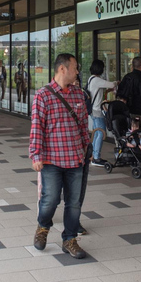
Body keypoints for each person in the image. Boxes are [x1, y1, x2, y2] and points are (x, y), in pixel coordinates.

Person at [30, 53, 90, 259]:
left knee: (73, 203)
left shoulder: (78, 94)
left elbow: (83, 125)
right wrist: (36, 154)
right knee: (50, 200)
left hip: (75, 159)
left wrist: (86, 149)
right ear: (62, 69)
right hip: (52, 160)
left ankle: (70, 240)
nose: (77, 72)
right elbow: (37, 127)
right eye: (75, 68)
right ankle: (43, 226)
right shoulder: (43, 95)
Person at [87, 59, 117, 167]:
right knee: (101, 132)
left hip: (94, 110)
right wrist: (117, 82)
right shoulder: (96, 80)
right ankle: (96, 158)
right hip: (97, 110)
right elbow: (110, 84)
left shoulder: (91, 79)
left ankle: (93, 155)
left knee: (97, 132)